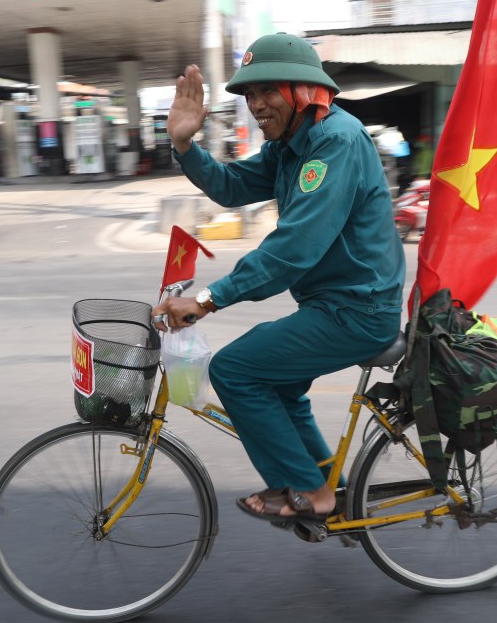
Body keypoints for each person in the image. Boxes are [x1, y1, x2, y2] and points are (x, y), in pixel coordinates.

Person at [151, 33, 406, 523]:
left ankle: (313, 490)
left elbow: (294, 249)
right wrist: (184, 144)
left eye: (266, 91)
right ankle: (335, 491)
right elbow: (230, 187)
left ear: (303, 91)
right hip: (331, 305)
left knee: (235, 370)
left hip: (358, 310)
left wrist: (207, 300)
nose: (256, 105)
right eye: (249, 95)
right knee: (279, 387)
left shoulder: (335, 142)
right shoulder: (291, 145)